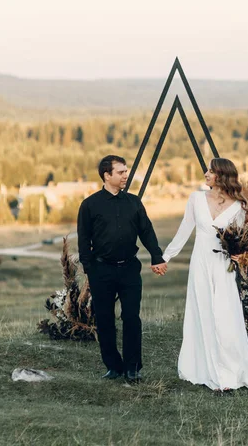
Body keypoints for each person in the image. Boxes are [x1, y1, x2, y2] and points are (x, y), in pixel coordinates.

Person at [159, 157, 248, 393]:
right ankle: (204, 369)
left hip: (223, 265)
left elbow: (242, 238)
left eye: (210, 171)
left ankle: (230, 370)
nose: (205, 174)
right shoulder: (196, 198)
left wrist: (241, 254)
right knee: (203, 311)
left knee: (226, 315)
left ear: (221, 175)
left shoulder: (239, 205)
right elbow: (184, 230)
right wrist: (165, 257)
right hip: (201, 264)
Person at [77, 155, 167, 383]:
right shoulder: (89, 205)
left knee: (131, 318)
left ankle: (133, 368)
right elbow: (83, 239)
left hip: (129, 269)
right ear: (107, 175)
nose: (126, 175)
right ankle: (113, 367)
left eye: (126, 171)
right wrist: (90, 270)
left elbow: (146, 231)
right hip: (101, 271)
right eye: (120, 172)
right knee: (105, 320)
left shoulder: (134, 202)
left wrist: (157, 256)